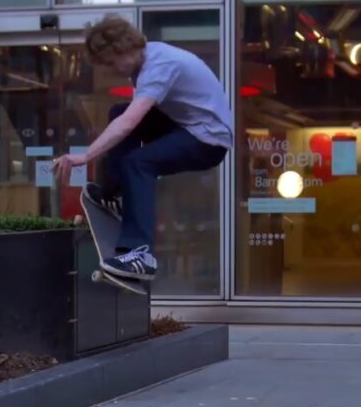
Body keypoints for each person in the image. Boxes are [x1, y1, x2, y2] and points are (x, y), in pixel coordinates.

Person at [53, 14, 232, 282]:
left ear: (124, 48)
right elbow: (128, 119)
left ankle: (140, 255)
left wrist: (86, 156)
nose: (114, 69)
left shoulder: (159, 67)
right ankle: (113, 195)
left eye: (113, 61)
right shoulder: (146, 59)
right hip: (185, 126)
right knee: (118, 111)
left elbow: (129, 124)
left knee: (138, 162)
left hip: (208, 140)